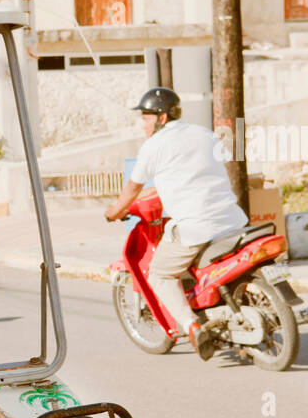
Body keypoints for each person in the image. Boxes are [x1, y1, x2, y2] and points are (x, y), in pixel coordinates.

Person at [105, 87, 248, 361]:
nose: (143, 123)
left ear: (161, 117)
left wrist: (113, 212)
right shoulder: (205, 134)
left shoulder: (153, 147)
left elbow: (133, 189)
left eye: (146, 116)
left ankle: (192, 326)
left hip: (197, 227)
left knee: (160, 274)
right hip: (232, 219)